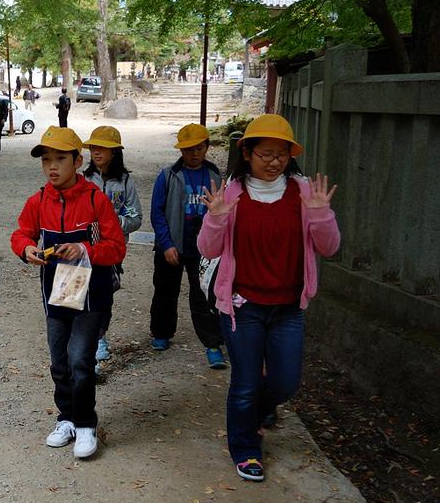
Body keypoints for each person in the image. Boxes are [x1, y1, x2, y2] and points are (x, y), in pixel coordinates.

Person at [198, 114, 340, 482]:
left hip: (288, 307)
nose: (274, 160)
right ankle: (245, 449)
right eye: (265, 153)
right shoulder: (231, 192)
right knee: (244, 383)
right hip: (242, 306)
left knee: (286, 382)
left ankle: (257, 410)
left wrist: (321, 214)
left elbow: (329, 247)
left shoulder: (304, 192)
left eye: (281, 153)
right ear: (247, 153)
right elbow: (208, 249)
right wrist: (215, 219)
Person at [11, 126, 126, 459]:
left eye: (60, 159)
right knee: (59, 361)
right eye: (46, 159)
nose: (52, 166)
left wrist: (84, 249)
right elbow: (20, 234)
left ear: (78, 160)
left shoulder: (95, 199)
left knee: (80, 360)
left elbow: (116, 247)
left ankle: (87, 424)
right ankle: (67, 419)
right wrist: (27, 249)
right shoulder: (38, 200)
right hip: (55, 295)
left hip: (91, 295)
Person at [149, 123, 226, 368]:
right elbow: (157, 212)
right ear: (181, 151)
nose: (194, 154)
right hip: (171, 245)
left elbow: (223, 212)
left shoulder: (214, 176)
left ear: (207, 147)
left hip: (203, 249)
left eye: (199, 148)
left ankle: (212, 343)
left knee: (204, 296)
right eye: (188, 149)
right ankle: (161, 333)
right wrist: (166, 243)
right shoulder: (168, 175)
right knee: (164, 291)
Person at [82, 126, 142, 376]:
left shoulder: (125, 181)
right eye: (93, 147)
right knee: (83, 298)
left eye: (102, 147)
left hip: (111, 253)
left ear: (114, 152)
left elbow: (136, 216)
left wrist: (114, 223)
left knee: (104, 297)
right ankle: (86, 346)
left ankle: (100, 337)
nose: (96, 152)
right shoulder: (84, 180)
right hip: (85, 251)